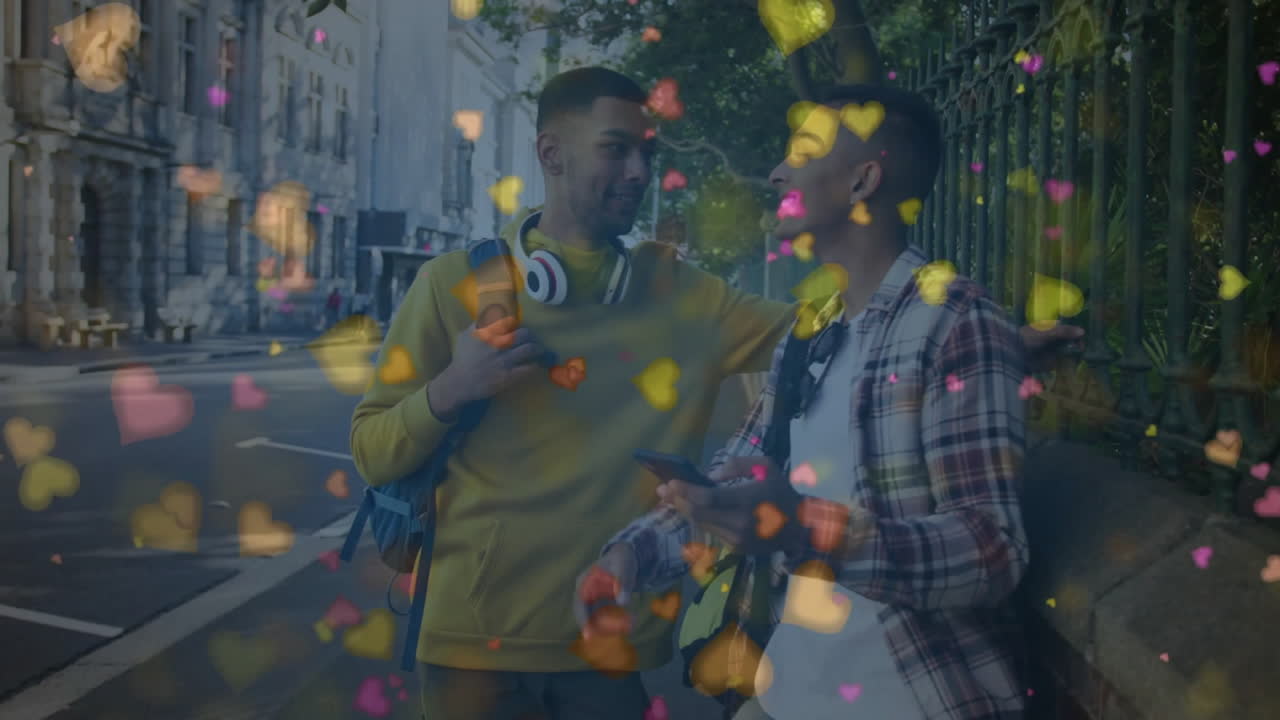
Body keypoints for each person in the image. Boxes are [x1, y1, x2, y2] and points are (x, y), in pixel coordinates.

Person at [351, 67, 1079, 720]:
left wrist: (993, 339)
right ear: (551, 154)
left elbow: (902, 364)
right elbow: (727, 484)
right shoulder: (449, 286)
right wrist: (451, 390)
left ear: (860, 182)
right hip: (475, 647)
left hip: (646, 661)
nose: (639, 171)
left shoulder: (707, 299)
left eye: (647, 153)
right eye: (616, 149)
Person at [584, 84, 1061, 720]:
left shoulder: (955, 323)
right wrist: (626, 558)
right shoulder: (811, 333)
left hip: (911, 701)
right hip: (785, 695)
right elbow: (730, 477)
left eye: (803, 150)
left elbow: (991, 552)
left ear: (864, 181)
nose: (779, 169)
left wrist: (808, 530)